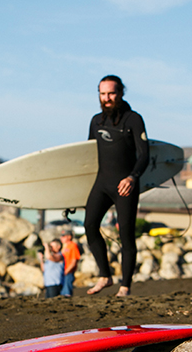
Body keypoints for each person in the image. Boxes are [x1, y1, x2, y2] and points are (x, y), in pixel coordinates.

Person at [84, 75, 150, 298]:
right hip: (102, 183)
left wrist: (132, 177)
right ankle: (105, 275)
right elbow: (87, 156)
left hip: (126, 186)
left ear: (121, 93)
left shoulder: (133, 119)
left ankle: (125, 286)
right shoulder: (95, 121)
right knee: (90, 225)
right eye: (102, 94)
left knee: (126, 236)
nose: (107, 98)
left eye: (111, 93)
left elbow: (144, 154)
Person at [59, 231, 80, 297]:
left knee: (67, 291)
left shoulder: (73, 245)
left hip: (68, 272)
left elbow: (74, 261)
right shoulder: (64, 246)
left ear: (69, 237)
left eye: (63, 236)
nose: (61, 238)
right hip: (63, 271)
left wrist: (67, 271)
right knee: (62, 291)